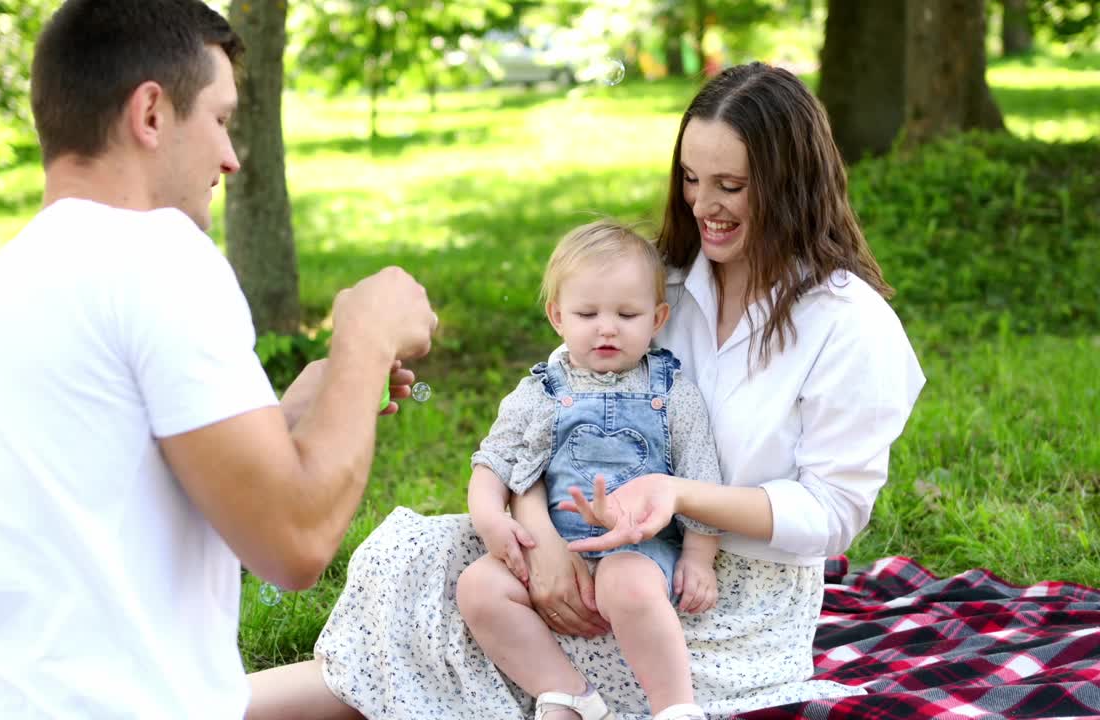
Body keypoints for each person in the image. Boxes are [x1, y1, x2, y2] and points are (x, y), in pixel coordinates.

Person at [246, 61, 925, 720]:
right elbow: (552, 410)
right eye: (691, 178)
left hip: (718, 592)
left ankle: (191, 703)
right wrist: (539, 539)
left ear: (791, 184)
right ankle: (188, 701)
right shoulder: (666, 287)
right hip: (583, 537)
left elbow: (834, 514)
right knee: (433, 566)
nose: (703, 206)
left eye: (731, 185)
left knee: (451, 638)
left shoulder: (848, 326)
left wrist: (680, 499)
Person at [0, 1, 436, 718]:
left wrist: (293, 414)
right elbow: (294, 540)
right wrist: (365, 339)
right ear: (151, 113)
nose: (231, 157)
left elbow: (115, 496)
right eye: (219, 118)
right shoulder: (158, 253)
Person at [456, 221, 722, 720]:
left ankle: (676, 708)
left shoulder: (674, 393)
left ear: (657, 317)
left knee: (625, 582)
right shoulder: (540, 391)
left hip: (638, 549)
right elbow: (494, 459)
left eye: (627, 314)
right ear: (557, 316)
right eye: (586, 313)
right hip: (556, 546)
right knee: (478, 587)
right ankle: (566, 694)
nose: (607, 327)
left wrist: (700, 557)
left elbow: (699, 477)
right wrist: (490, 518)